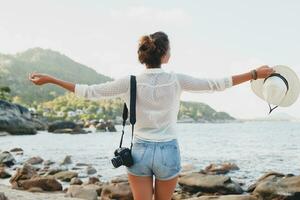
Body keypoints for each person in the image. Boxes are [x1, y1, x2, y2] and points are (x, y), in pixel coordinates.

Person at [29, 31, 274, 200]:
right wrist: (254, 73)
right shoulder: (177, 80)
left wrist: (51, 79)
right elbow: (216, 84)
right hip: (168, 151)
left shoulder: (129, 82)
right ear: (165, 54)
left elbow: (89, 92)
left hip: (139, 153)